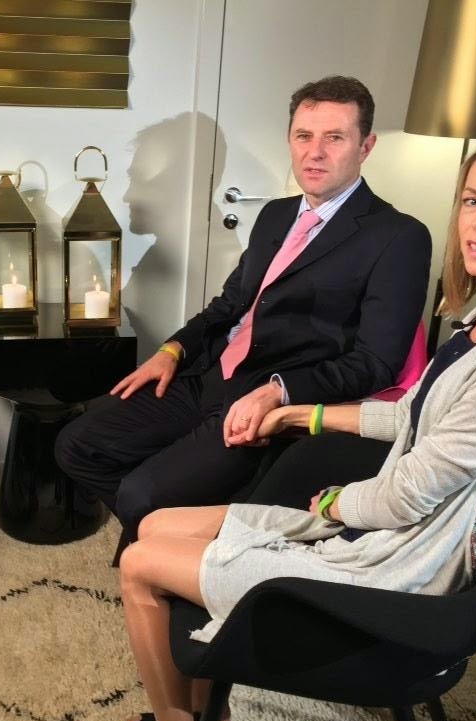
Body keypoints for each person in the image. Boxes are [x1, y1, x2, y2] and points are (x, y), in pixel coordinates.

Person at [117, 123, 476, 721]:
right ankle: (210, 715)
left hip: (397, 574)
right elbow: (411, 417)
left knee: (140, 564)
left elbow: (403, 499)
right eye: (473, 200)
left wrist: (334, 503)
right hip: (391, 532)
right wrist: (301, 415)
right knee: (156, 523)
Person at [55, 76, 431, 547]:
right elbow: (230, 304)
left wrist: (280, 391)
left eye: (334, 138)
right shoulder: (276, 214)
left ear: (366, 146)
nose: (315, 152)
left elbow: (375, 363)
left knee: (140, 493)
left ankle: (172, 547)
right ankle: (180, 538)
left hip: (271, 400)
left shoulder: (398, 237)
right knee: (76, 445)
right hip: (210, 373)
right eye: (304, 136)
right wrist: (173, 350)